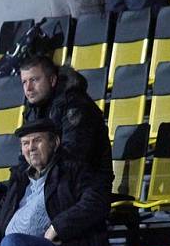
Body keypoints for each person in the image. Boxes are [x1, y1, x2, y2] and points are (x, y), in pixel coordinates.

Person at [20, 53, 112, 191]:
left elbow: (73, 156)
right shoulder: (33, 110)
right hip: (50, 184)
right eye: (24, 82)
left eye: (34, 80)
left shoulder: (76, 105)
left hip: (84, 188)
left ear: (52, 80)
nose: (28, 88)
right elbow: (25, 159)